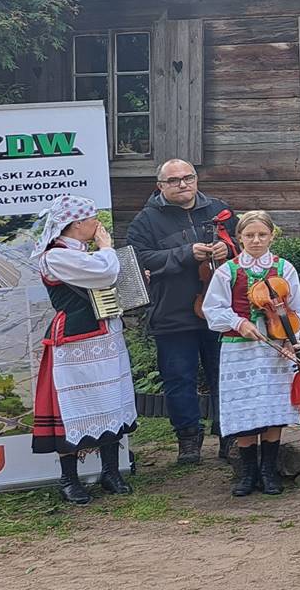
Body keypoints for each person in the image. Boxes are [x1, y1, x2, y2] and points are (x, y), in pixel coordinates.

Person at [124, 158, 237, 465]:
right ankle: (188, 438)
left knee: (225, 375)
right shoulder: (145, 220)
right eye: (174, 180)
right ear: (160, 186)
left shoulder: (218, 209)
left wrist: (230, 248)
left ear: (196, 179)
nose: (183, 184)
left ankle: (230, 435)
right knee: (178, 378)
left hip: (219, 309)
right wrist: (185, 254)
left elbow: (244, 242)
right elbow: (138, 260)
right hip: (172, 310)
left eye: (188, 178)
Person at [30, 196, 138, 504]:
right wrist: (106, 246)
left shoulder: (80, 253)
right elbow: (104, 273)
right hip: (75, 342)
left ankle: (110, 471)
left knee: (109, 400)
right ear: (77, 224)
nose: (97, 224)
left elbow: (109, 279)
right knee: (73, 406)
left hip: (105, 336)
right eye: (92, 219)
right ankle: (69, 479)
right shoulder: (56, 257)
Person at [200, 211, 300, 498]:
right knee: (245, 407)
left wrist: (290, 340)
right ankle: (247, 472)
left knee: (273, 406)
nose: (256, 240)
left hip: (275, 347)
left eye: (262, 234)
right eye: (249, 235)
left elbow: (297, 310)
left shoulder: (285, 268)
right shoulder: (228, 270)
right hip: (239, 349)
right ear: (240, 238)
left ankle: (268, 471)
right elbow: (213, 309)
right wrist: (239, 322)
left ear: (272, 235)